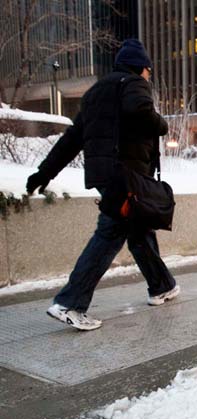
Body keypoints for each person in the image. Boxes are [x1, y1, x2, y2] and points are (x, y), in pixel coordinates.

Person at [26, 39, 180, 331]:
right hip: (126, 175)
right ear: (141, 68)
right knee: (111, 233)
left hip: (105, 174)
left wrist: (43, 174)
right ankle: (70, 303)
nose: (149, 76)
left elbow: (71, 140)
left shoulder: (96, 92)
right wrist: (161, 125)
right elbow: (141, 111)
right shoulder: (134, 83)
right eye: (149, 71)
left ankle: (162, 286)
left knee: (138, 228)